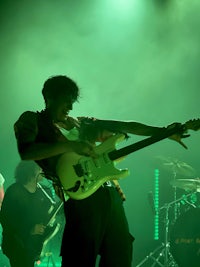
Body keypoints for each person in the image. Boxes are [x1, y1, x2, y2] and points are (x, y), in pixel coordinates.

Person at [13, 75, 191, 267]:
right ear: (49, 97)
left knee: (120, 255)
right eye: (66, 102)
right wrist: (71, 146)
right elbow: (27, 151)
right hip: (80, 198)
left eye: (72, 103)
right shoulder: (33, 120)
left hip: (109, 194)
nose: (70, 108)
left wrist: (164, 131)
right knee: (80, 257)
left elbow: (125, 126)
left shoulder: (81, 124)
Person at [0, 160, 59, 267]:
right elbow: (6, 220)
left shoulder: (44, 191)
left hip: (34, 245)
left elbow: (48, 214)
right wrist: (29, 230)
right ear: (30, 171)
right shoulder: (14, 191)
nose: (42, 170)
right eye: (39, 168)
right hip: (18, 245)